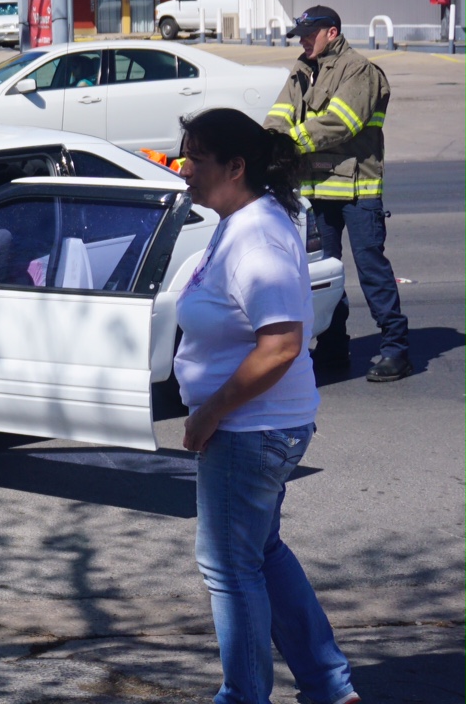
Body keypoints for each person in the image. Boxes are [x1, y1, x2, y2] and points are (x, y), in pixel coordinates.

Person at [173, 108, 356, 704]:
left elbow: (280, 344)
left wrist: (211, 411)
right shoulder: (242, 220)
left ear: (236, 165)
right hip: (261, 425)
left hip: (251, 429)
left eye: (196, 158)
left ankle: (245, 696)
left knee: (229, 567)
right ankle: (329, 685)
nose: (185, 170)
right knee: (261, 552)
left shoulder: (257, 237)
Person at [264, 5, 409, 382]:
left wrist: (289, 141)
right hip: (315, 191)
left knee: (371, 270)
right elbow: (279, 114)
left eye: (310, 34)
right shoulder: (301, 71)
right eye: (301, 35)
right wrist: (267, 141)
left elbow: (340, 124)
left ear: (332, 32)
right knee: (325, 275)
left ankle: (395, 348)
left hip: (357, 188)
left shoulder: (358, 70)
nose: (304, 41)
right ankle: (332, 346)